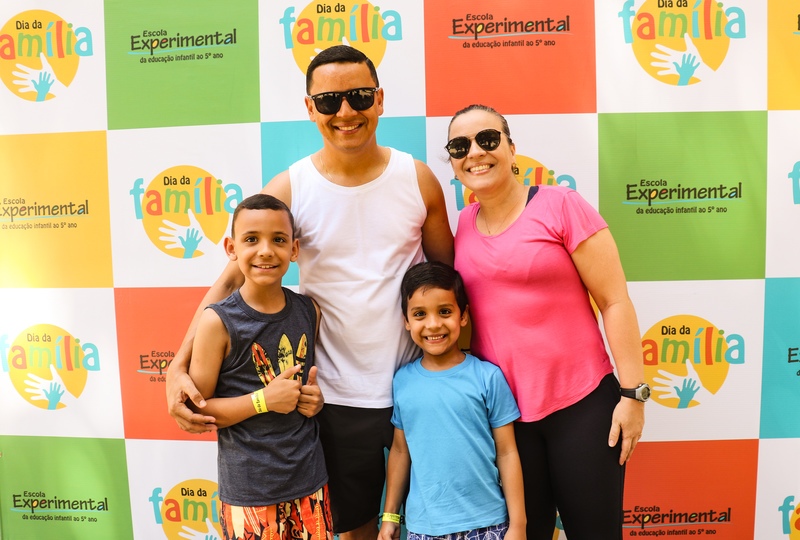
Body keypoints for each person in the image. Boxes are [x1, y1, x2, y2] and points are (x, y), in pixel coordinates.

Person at [166, 45, 454, 540]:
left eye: (358, 96)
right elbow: (231, 281)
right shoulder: (290, 188)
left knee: (447, 517)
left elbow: (449, 281)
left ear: (380, 99)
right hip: (333, 397)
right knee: (356, 526)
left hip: (419, 385)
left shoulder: (418, 179)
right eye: (328, 101)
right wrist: (176, 367)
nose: (345, 112)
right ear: (309, 108)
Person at [446, 104, 646, 540]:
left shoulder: (561, 205)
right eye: (459, 146)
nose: (474, 152)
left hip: (582, 406)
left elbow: (614, 301)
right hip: (506, 419)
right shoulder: (462, 225)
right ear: (453, 162)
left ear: (511, 148)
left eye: (487, 139)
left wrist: (634, 394)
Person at [188, 194, 330, 540]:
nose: (265, 251)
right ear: (231, 248)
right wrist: (262, 401)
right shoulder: (216, 322)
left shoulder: (309, 310)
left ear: (294, 249)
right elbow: (198, 411)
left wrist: (313, 401)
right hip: (249, 493)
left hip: (311, 483)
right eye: (251, 239)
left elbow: (302, 392)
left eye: (278, 240)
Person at [378, 262, 525, 540]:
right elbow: (400, 451)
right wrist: (390, 516)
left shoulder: (488, 377)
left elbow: (507, 452)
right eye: (420, 314)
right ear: (406, 321)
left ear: (463, 315)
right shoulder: (403, 381)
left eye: (445, 311)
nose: (433, 324)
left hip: (488, 524)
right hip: (424, 528)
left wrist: (518, 525)